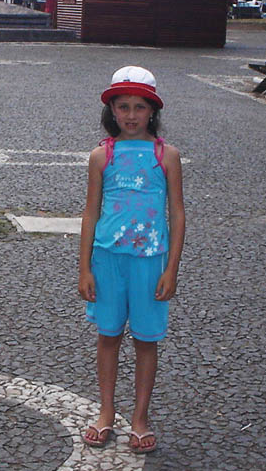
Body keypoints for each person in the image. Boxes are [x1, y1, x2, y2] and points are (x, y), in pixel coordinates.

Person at [79, 66, 185, 455]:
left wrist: (171, 268)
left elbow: (177, 213)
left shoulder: (166, 156)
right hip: (108, 261)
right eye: (123, 106)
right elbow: (91, 213)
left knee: (145, 340)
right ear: (112, 110)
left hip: (148, 262)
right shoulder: (100, 155)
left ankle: (140, 417)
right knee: (108, 336)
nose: (131, 115)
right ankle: (106, 411)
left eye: (140, 107)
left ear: (152, 112)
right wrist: (85, 267)